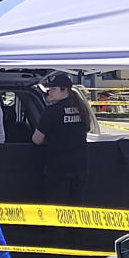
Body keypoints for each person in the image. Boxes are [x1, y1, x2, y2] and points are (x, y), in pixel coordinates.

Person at [32, 72, 91, 205]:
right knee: (76, 208)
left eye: (53, 89)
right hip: (80, 168)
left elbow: (36, 140)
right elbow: (86, 130)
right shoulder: (81, 109)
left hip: (59, 170)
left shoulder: (51, 111)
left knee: (57, 210)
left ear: (64, 90)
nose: (49, 92)